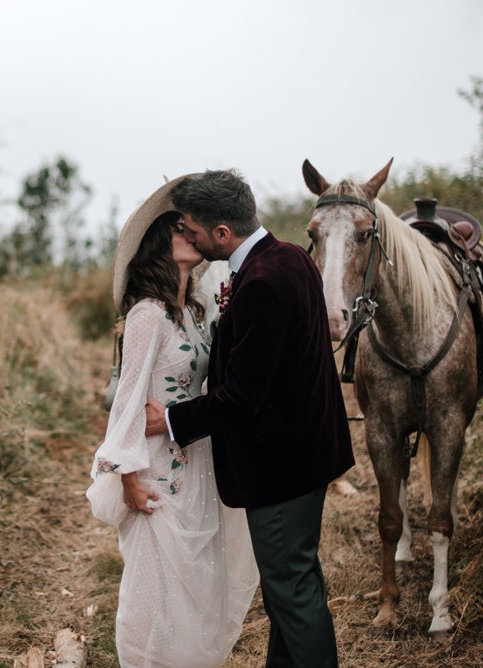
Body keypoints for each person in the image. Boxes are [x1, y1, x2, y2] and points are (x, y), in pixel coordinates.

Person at [144, 169, 355, 667]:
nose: (189, 238)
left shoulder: (260, 282)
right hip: (309, 450)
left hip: (282, 467)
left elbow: (243, 395)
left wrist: (171, 421)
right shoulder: (291, 258)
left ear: (222, 233)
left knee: (294, 593)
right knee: (291, 588)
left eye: (193, 230)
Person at [86, 175, 258, 668]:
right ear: (162, 245)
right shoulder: (148, 315)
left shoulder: (191, 314)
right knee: (151, 590)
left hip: (197, 465)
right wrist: (129, 479)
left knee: (196, 588)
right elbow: (126, 401)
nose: (193, 233)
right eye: (181, 229)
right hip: (155, 471)